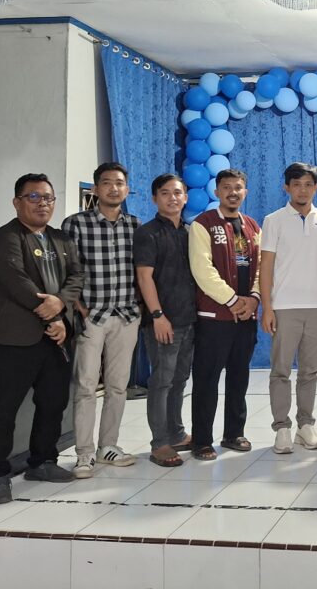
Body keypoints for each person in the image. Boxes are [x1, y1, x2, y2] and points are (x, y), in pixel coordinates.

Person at [0, 174, 85, 504]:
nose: (43, 204)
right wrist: (53, 316)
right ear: (17, 202)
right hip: (15, 339)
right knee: (3, 410)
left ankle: (43, 461)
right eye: (34, 197)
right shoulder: (6, 238)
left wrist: (62, 304)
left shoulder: (61, 239)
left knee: (53, 403)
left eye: (48, 198)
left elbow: (77, 276)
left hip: (56, 339)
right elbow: (17, 283)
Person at [62, 162, 140, 478]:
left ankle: (108, 446)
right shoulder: (75, 224)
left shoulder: (135, 226)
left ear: (127, 189)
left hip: (126, 316)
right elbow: (67, 269)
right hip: (91, 316)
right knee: (85, 386)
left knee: (118, 386)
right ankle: (84, 453)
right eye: (107, 183)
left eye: (119, 183)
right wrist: (77, 305)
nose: (113, 188)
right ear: (95, 189)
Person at [188, 168, 261, 460]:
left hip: (246, 317)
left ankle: (234, 433)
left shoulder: (253, 226)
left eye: (238, 187)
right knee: (206, 380)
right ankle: (202, 440)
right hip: (214, 318)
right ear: (216, 191)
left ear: (245, 192)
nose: (233, 192)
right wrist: (232, 300)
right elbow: (202, 269)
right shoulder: (203, 224)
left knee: (239, 378)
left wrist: (254, 298)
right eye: (227, 187)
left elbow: (261, 268)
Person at [260, 162, 317, 454]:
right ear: (286, 187)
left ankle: (305, 425)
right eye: (297, 184)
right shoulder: (273, 220)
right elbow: (266, 267)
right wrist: (267, 308)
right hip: (284, 307)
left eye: (308, 184)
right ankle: (282, 428)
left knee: (310, 372)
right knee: (280, 371)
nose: (303, 190)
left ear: (316, 188)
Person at [134, 174, 196, 467]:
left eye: (177, 192)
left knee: (180, 380)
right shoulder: (147, 233)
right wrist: (158, 316)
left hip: (189, 320)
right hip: (162, 321)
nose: (173, 198)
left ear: (185, 197)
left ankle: (176, 433)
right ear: (154, 198)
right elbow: (144, 277)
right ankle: (159, 443)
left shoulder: (191, 231)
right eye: (165, 193)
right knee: (161, 381)